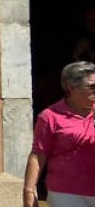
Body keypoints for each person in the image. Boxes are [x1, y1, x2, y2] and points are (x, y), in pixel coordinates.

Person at [24, 61, 95, 207]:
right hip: (66, 192)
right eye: (92, 87)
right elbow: (38, 154)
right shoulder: (51, 116)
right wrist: (29, 190)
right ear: (71, 87)